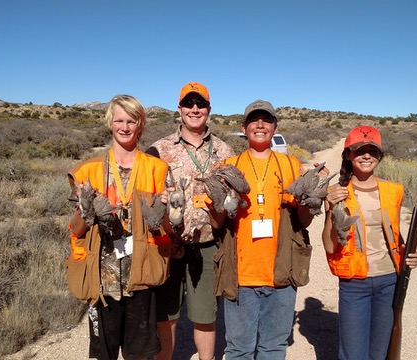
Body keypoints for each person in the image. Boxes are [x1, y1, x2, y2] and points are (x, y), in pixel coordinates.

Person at [212, 100, 321, 360]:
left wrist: (312, 197)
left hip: (281, 272)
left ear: (275, 128)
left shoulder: (291, 165)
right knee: (238, 349)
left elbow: (303, 222)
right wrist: (220, 198)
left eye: (266, 120)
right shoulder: (227, 166)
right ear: (244, 127)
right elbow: (217, 223)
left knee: (273, 347)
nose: (260, 124)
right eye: (253, 120)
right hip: (241, 275)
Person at [67, 94, 170, 360]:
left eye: (131, 121)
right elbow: (76, 230)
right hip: (102, 279)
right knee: (105, 354)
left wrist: (168, 209)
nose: (125, 127)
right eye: (119, 120)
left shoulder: (157, 169)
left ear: (141, 125)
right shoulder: (87, 171)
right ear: (110, 123)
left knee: (138, 353)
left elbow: (165, 227)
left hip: (141, 276)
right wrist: (84, 208)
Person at [146, 82, 234, 360]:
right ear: (179, 108)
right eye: (188, 103)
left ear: (209, 109)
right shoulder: (158, 150)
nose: (194, 109)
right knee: (166, 317)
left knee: (205, 316)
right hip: (167, 246)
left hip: (208, 244)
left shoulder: (225, 151)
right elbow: (145, 197)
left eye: (200, 104)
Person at [321, 125, 417, 360]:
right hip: (355, 283)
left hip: (389, 281)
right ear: (348, 155)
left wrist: (410, 255)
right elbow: (328, 245)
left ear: (379, 156)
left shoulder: (394, 191)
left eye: (372, 151)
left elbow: (395, 236)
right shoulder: (336, 192)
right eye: (359, 150)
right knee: (353, 354)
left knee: (379, 352)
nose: (366, 156)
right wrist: (331, 212)